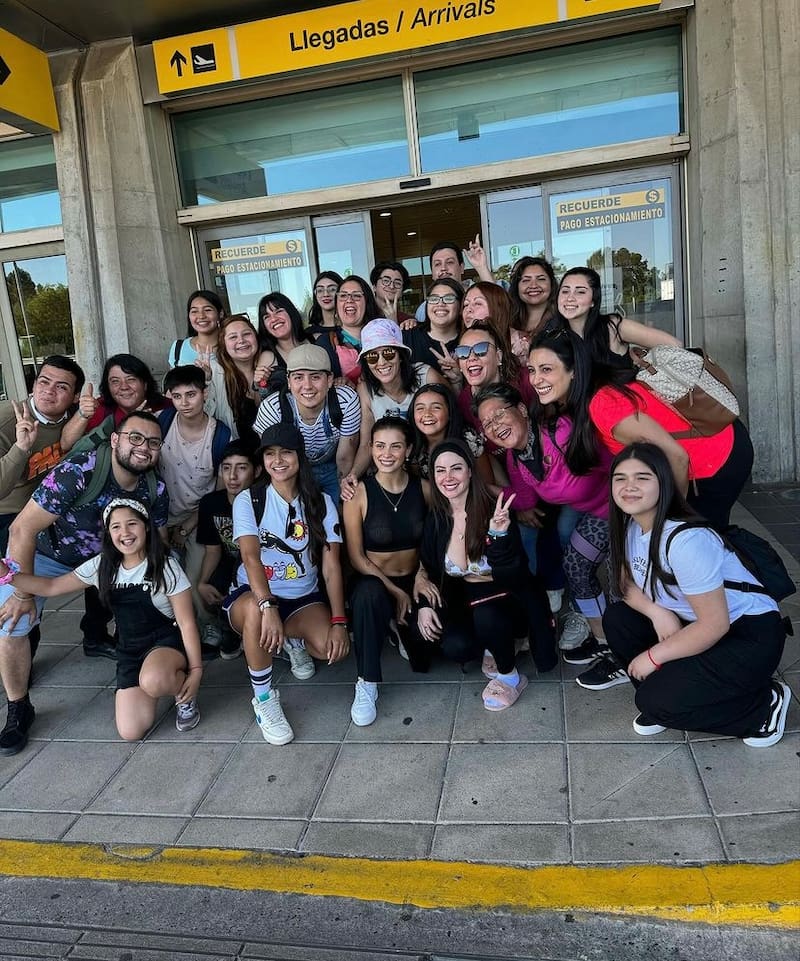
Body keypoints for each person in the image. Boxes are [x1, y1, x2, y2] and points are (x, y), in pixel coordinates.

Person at [0, 412, 168, 755]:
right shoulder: (78, 471)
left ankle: (138, 670)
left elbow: (158, 540)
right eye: (135, 438)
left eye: (153, 443)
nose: (144, 448)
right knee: (12, 622)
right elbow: (21, 529)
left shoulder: (154, 487)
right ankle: (19, 707)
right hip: (51, 556)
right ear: (116, 439)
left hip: (112, 563)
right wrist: (21, 592)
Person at [603, 442, 789, 747]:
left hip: (748, 636)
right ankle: (673, 695)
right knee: (620, 618)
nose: (629, 486)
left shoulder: (686, 540)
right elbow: (625, 583)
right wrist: (658, 613)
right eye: (620, 478)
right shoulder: (632, 526)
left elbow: (715, 626)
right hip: (694, 623)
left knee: (654, 701)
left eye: (642, 477)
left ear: (663, 483)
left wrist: (654, 655)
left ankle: (762, 705)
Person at [1, 498, 203, 740]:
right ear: (108, 532)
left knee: (154, 680)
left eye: (132, 524)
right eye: (116, 527)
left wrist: (197, 670)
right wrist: (7, 575)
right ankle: (152, 679)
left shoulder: (165, 565)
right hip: (129, 649)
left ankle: (183, 693)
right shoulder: (102, 566)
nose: (125, 533)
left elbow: (187, 623)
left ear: (146, 527)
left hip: (165, 642)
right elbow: (50, 586)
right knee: (130, 732)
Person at [475, 341, 611, 663]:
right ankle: (605, 639)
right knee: (576, 563)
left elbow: (615, 461)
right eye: (488, 424)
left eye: (500, 415)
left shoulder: (562, 433)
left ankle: (613, 636)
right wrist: (481, 487)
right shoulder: (516, 459)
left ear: (522, 410)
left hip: (618, 506)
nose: (495, 426)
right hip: (591, 510)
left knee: (617, 575)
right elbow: (523, 499)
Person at [222, 424, 349, 745]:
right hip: (254, 595)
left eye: (286, 452)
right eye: (269, 454)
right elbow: (250, 557)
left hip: (302, 596)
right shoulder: (249, 500)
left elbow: (332, 566)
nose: (277, 460)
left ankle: (291, 644)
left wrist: (338, 621)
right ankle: (264, 700)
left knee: (328, 649)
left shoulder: (320, 500)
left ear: (299, 457)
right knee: (256, 612)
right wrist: (268, 607)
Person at [409, 440, 556, 706]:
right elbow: (428, 566)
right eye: (440, 471)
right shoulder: (437, 518)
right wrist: (423, 604)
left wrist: (498, 536)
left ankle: (510, 676)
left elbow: (514, 573)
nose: (448, 477)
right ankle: (495, 644)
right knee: (455, 646)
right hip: (468, 598)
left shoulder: (495, 510)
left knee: (487, 614)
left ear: (469, 471)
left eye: (456, 468)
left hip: (510, 594)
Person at [588, 358, 754, 531]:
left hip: (717, 454)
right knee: (707, 536)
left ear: (573, 373)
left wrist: (674, 519)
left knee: (695, 540)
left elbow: (677, 456)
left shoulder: (603, 404)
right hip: (719, 438)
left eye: (555, 369)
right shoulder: (603, 391)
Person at [343, 416, 430, 725]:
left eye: (395, 446)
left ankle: (398, 629)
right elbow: (356, 557)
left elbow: (437, 540)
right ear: (371, 448)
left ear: (408, 450)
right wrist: (394, 591)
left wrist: (421, 574)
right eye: (379, 446)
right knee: (368, 595)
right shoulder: (358, 494)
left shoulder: (425, 488)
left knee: (425, 658)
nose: (387, 453)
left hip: (416, 579)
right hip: (375, 580)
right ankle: (366, 682)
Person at [159, 366, 231, 638]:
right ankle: (169, 630)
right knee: (159, 574)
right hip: (162, 514)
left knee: (196, 575)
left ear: (205, 393)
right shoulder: (162, 423)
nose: (185, 403)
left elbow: (217, 494)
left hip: (199, 516)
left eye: (191, 394)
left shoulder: (220, 436)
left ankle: (208, 625)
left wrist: (187, 527)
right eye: (177, 396)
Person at [253, 343, 361, 501]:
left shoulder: (345, 400)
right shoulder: (273, 409)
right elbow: (274, 460)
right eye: (298, 377)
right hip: (293, 471)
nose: (308, 386)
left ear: (330, 379)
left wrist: (343, 494)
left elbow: (345, 456)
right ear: (288, 381)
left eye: (315, 377)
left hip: (333, 467)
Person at [350, 319, 444, 481]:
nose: (381, 362)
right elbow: (367, 444)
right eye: (372, 356)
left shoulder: (426, 376)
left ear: (400, 355)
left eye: (388, 353)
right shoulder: (366, 391)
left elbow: (452, 414)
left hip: (434, 464)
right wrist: (353, 475)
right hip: (391, 468)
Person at [196, 440, 261, 660]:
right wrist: (203, 582)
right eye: (226, 468)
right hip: (230, 561)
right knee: (211, 586)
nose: (232, 476)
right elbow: (213, 550)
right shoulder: (211, 504)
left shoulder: (264, 500)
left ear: (257, 470)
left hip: (262, 561)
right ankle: (230, 627)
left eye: (242, 468)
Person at [556, 267, 680, 369]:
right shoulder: (554, 336)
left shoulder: (613, 327)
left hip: (622, 398)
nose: (570, 298)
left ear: (593, 300)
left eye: (580, 292)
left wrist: (642, 357)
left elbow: (674, 345)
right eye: (565, 291)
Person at [315, 275, 381, 383]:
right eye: (343, 296)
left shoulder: (383, 336)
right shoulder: (325, 343)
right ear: (337, 306)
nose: (349, 300)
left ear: (367, 302)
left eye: (356, 296)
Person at [413, 237, 495, 322]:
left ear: (462, 267)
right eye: (437, 264)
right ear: (432, 273)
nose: (443, 268)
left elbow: (499, 308)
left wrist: (481, 267)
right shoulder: (424, 309)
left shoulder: (479, 294)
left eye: (449, 262)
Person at [208, 314, 261, 442]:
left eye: (246, 334)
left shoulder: (270, 364)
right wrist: (205, 383)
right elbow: (204, 416)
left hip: (272, 456)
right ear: (224, 345)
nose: (241, 340)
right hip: (236, 456)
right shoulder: (215, 374)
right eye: (233, 337)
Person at [83, 354, 169, 430]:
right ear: (108, 386)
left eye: (131, 380)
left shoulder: (168, 408)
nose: (124, 387)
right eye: (115, 381)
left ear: (145, 384)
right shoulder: (99, 409)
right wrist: (81, 414)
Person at [403, 278, 464, 382]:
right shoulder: (407, 336)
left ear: (460, 307)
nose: (440, 304)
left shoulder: (468, 342)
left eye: (449, 298)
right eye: (434, 298)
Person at [255, 292, 311, 395]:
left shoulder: (315, 340)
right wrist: (260, 384)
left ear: (291, 313)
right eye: (266, 317)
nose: (274, 319)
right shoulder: (268, 357)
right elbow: (261, 401)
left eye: (278, 311)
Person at [509, 256, 558, 357]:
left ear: (551, 284)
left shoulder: (562, 323)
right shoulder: (509, 320)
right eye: (526, 280)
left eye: (541, 279)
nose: (533, 285)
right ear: (517, 286)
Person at [168, 289, 224, 369]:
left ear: (220, 314)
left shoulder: (231, 346)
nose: (201, 316)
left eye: (207, 310)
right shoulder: (178, 347)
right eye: (194, 311)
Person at [306, 270, 343, 337]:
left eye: (332, 289)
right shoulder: (308, 334)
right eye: (320, 290)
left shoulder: (353, 329)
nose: (326, 294)